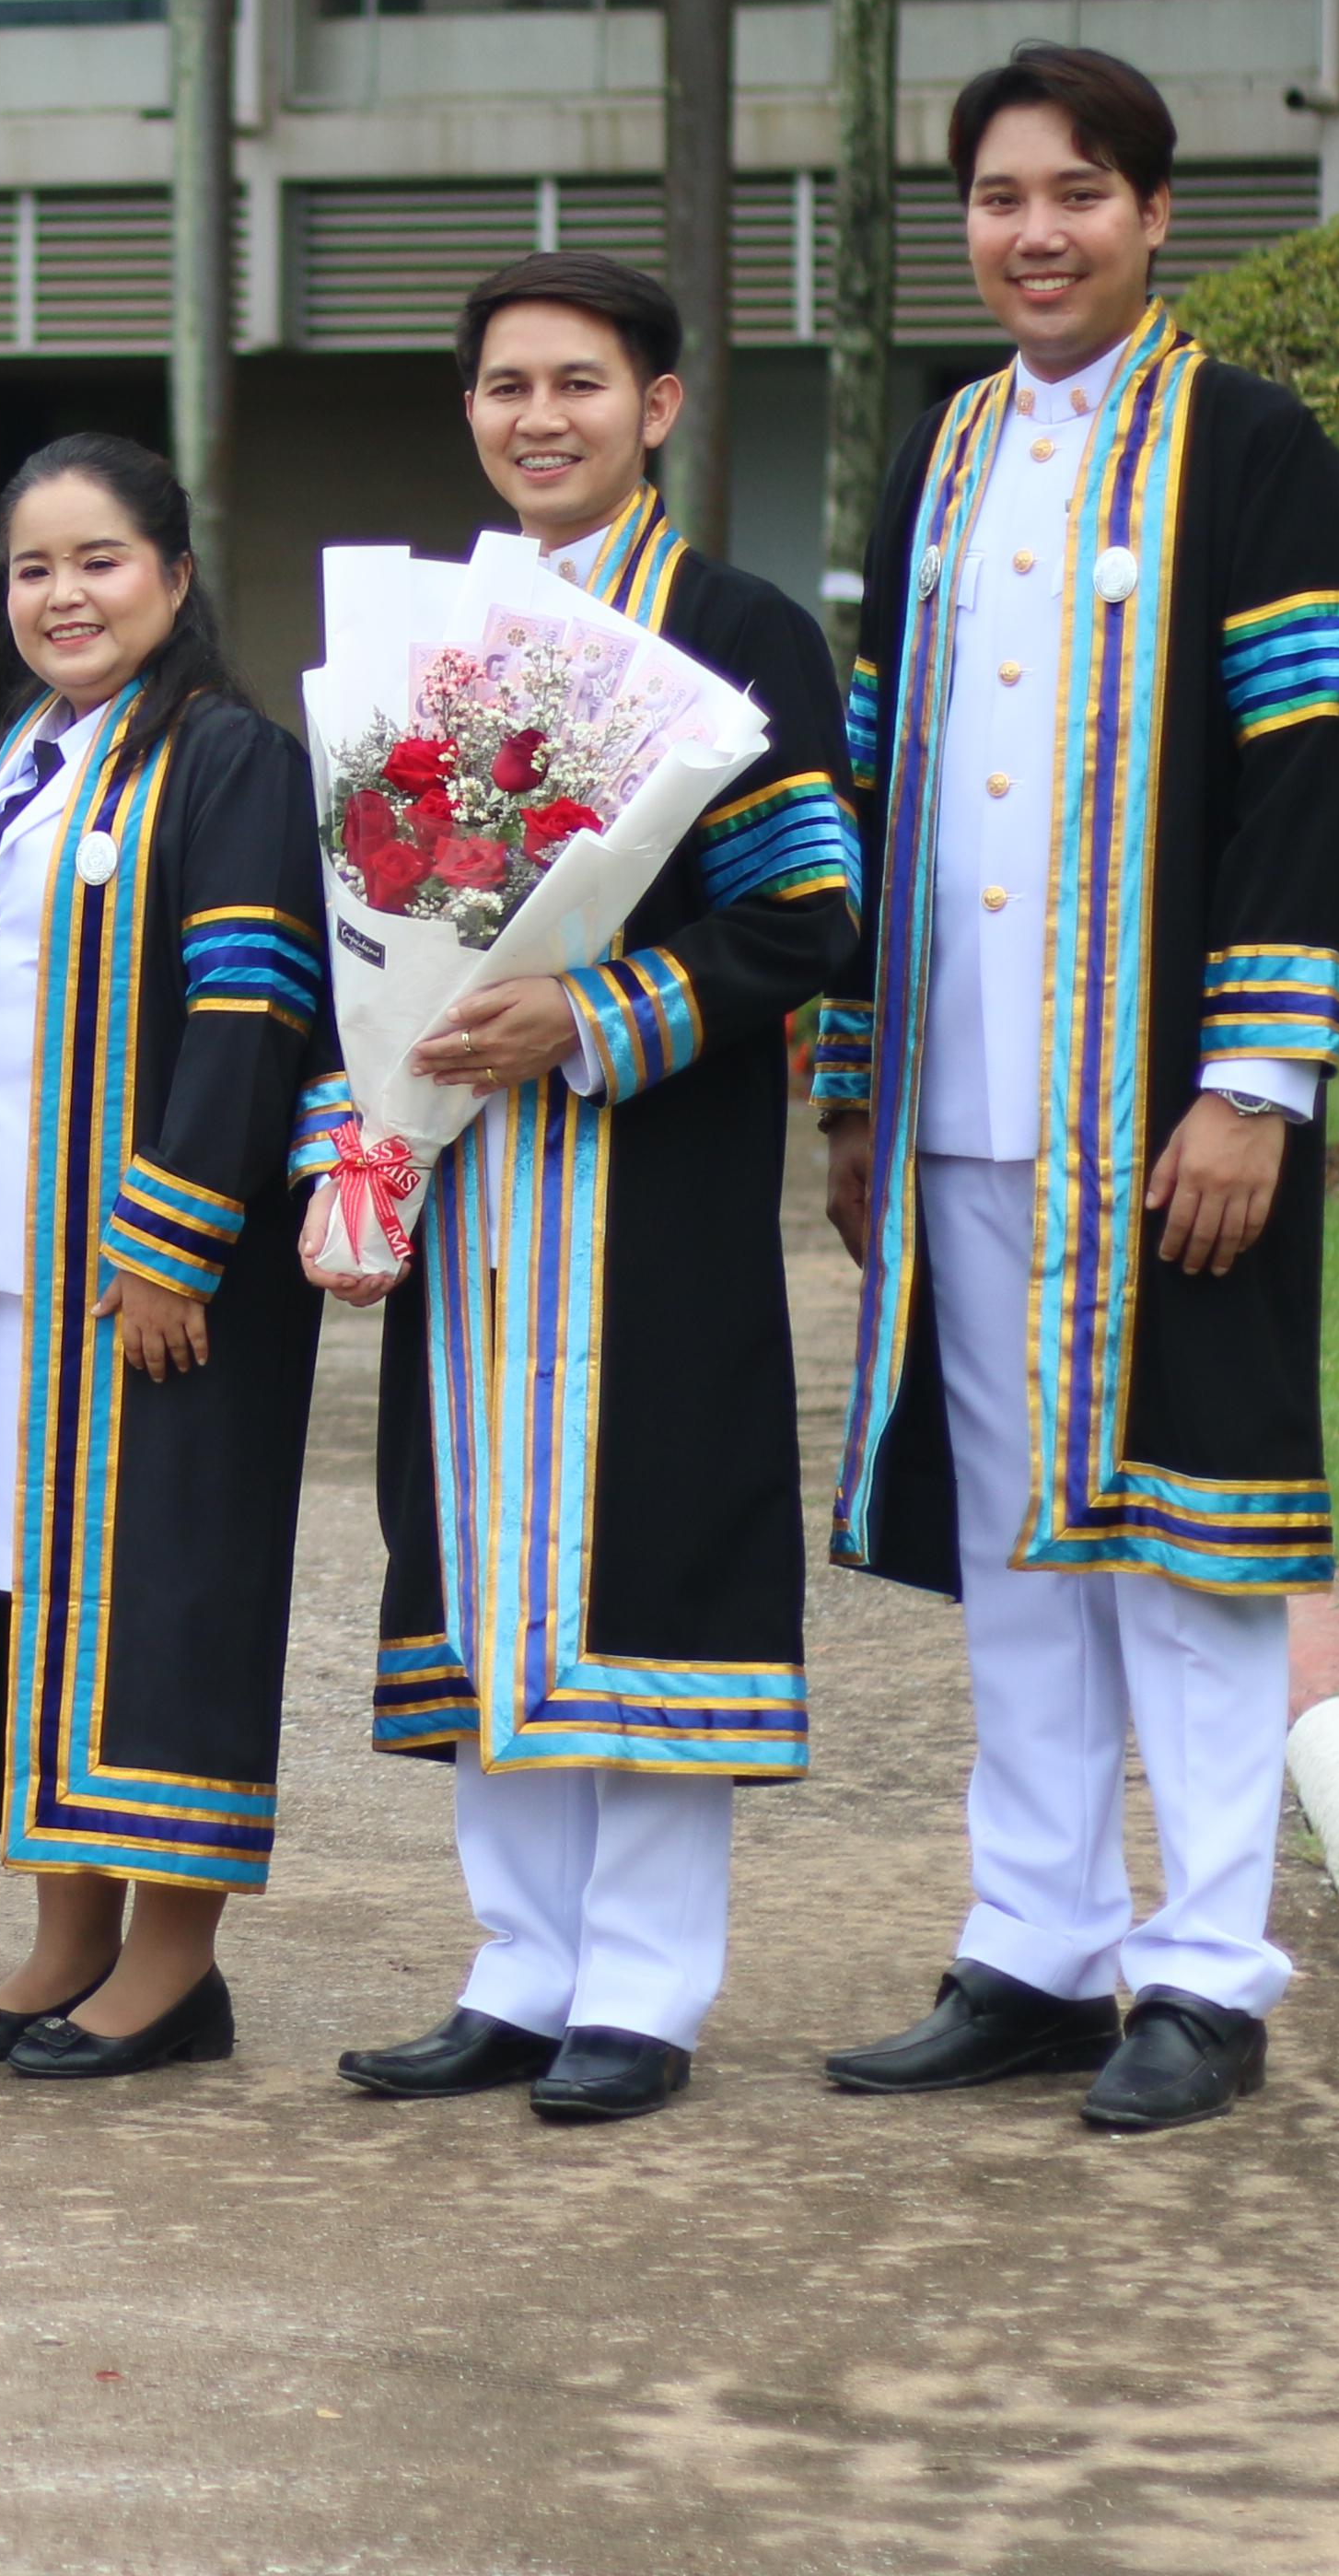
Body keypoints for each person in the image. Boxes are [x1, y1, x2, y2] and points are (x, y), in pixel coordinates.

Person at [813, 45, 1339, 2134]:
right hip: (963, 1104)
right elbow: (874, 789)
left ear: (1153, 215)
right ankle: (1037, 1950)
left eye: (1077, 194)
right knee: (1021, 1555)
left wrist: (1252, 1082)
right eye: (996, 197)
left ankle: (1208, 1976)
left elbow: (1314, 772)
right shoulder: (940, 456)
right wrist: (858, 1093)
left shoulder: (1252, 446)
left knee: (1189, 1549)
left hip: (1163, 1115)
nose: (1033, 233)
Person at [311, 254, 857, 2126]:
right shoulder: (427, 639)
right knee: (473, 1554)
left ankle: (644, 1989)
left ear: (661, 406)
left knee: (651, 1554)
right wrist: (364, 1125)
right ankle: (516, 1967)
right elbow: (365, 914)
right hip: (469, 1186)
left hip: (651, 1179)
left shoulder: (742, 630)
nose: (538, 418)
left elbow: (803, 916)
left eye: (579, 384)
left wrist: (595, 1008)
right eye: (503, 387)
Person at [0, 435, 331, 2080]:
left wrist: (173, 1239)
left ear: (174, 576)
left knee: (168, 1596)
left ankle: (176, 1963)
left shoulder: (232, 761)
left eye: (98, 562)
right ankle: (66, 1934)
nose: (62, 595)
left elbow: (253, 1007)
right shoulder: (14, 757)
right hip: (11, 1268)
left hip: (154, 1273)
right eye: (31, 568)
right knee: (29, 1594)